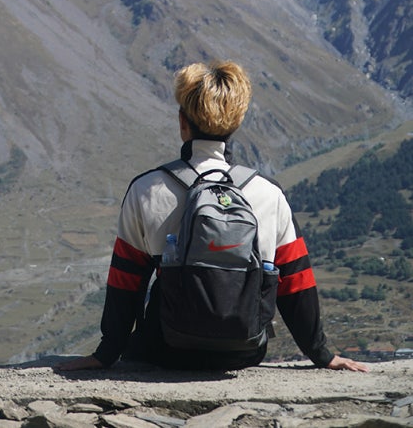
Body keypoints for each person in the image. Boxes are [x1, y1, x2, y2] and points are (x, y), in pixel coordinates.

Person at [59, 60, 368, 373]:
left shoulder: (146, 189)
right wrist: (322, 354)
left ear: (183, 122)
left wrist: (106, 354)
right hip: (243, 353)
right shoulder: (268, 194)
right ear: (237, 121)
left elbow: (126, 282)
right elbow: (295, 282)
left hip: (162, 351)